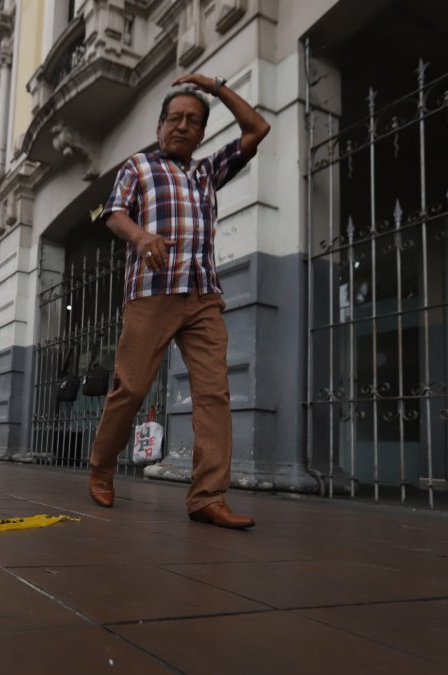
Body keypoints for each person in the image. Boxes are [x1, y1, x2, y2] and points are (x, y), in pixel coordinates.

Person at [87, 73, 270, 529]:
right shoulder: (140, 167)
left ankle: (207, 496)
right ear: (159, 126)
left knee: (213, 393)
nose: (182, 126)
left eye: (192, 120)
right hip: (152, 292)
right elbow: (114, 214)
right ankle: (102, 467)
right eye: (174, 118)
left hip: (203, 294)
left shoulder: (208, 172)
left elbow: (256, 130)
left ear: (202, 132)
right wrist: (142, 235)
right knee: (130, 387)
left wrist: (215, 87)